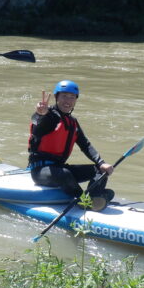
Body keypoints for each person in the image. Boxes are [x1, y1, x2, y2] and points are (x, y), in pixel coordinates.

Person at [28, 80, 115, 211]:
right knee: (64, 174)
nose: (68, 100)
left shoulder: (72, 122)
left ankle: (94, 196)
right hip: (41, 170)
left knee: (100, 171)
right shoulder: (50, 116)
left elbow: (85, 145)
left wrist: (101, 162)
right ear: (57, 97)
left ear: (75, 100)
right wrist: (40, 114)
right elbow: (38, 125)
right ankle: (84, 200)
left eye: (72, 97)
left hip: (61, 168)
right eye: (64, 96)